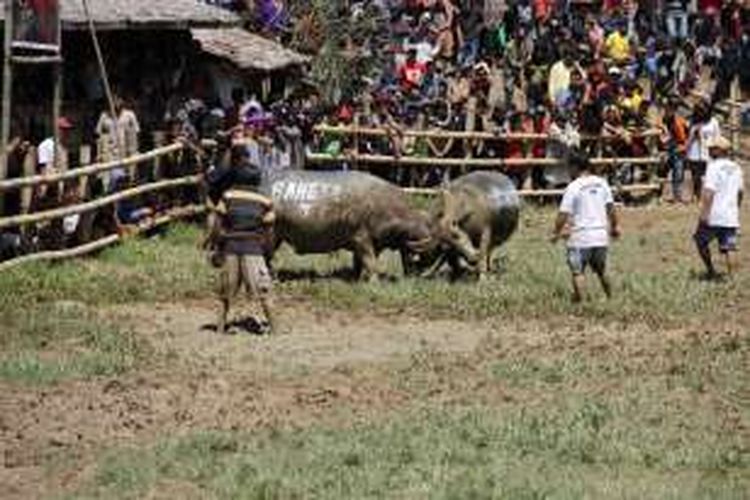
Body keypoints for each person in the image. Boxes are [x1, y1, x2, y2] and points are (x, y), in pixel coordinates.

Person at [204, 138, 282, 335]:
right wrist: (269, 252)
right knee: (264, 290)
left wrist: (215, 245)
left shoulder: (228, 196)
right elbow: (270, 231)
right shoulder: (265, 200)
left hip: (230, 247)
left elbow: (217, 223)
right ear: (257, 180)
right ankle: (276, 329)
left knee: (226, 291)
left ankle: (220, 327)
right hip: (254, 249)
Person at [552, 150, 621, 303]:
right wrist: (615, 227)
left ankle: (582, 303)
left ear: (575, 167)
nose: (568, 171)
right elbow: (611, 208)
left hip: (579, 237)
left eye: (569, 167)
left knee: (578, 272)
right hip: (600, 236)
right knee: (602, 270)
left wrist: (556, 232)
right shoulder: (602, 183)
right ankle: (612, 298)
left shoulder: (573, 187)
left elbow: (563, 213)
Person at [693, 135, 744, 279]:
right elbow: (740, 192)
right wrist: (736, 209)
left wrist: (705, 214)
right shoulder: (737, 168)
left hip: (714, 214)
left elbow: (709, 192)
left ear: (720, 150)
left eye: (712, 148)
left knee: (700, 241)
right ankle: (732, 278)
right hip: (730, 215)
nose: (709, 150)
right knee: (730, 248)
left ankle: (710, 270)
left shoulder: (713, 167)